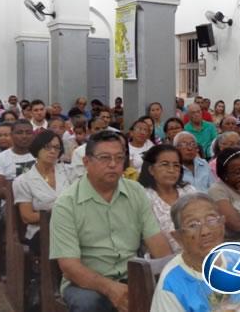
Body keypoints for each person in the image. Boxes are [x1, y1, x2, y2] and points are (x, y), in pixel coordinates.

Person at [49, 130, 171, 312]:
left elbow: (156, 241)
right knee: (89, 303)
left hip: (132, 274)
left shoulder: (135, 191)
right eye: (104, 158)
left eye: (119, 158)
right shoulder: (67, 204)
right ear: (86, 162)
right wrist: (110, 288)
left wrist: (171, 275)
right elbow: (70, 266)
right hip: (87, 282)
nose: (113, 164)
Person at [152, 193, 240, 312]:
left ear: (222, 224)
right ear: (178, 237)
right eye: (193, 225)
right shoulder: (171, 282)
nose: (205, 231)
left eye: (211, 220)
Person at [13, 130, 76, 254]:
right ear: (37, 148)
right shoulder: (23, 180)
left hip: (73, 225)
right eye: (47, 147)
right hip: (42, 230)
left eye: (57, 148)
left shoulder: (69, 171)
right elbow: (27, 217)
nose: (52, 151)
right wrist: (59, 212)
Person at [138, 145, 196, 253]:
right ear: (151, 169)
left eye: (176, 165)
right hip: (161, 261)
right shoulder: (143, 197)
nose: (171, 170)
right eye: (165, 165)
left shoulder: (189, 191)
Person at [0, 119, 36, 200]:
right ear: (11, 135)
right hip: (11, 204)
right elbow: (0, 192)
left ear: (33, 135)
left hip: (39, 201)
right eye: (19, 133)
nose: (24, 136)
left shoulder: (40, 155)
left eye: (28, 133)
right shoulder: (0, 158)